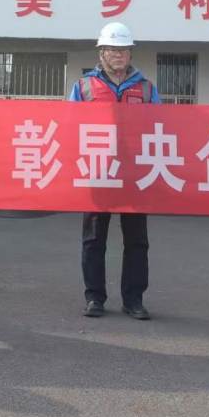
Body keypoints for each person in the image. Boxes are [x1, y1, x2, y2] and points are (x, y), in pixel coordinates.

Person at [69, 22, 161, 320]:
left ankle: (133, 300)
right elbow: (68, 126)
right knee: (94, 239)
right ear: (101, 52)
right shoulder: (83, 87)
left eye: (124, 49)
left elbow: (163, 127)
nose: (119, 54)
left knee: (137, 241)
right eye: (113, 49)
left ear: (130, 52)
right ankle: (94, 297)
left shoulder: (146, 89)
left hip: (136, 175)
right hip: (98, 172)